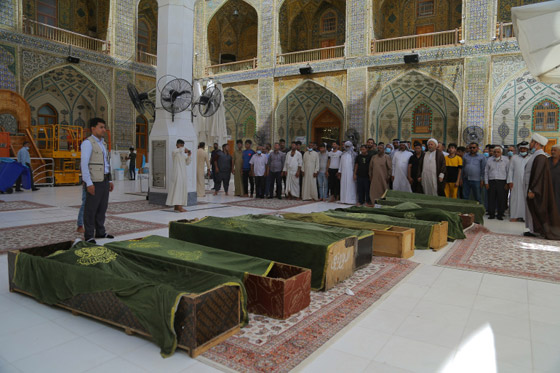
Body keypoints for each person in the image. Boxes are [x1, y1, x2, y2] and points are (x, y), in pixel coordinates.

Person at [80, 118, 114, 243]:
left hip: (104, 180)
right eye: (101, 127)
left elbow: (106, 163)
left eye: (104, 127)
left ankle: (100, 231)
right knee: (91, 209)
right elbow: (84, 164)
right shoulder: (88, 143)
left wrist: (109, 180)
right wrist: (88, 182)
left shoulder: (103, 144)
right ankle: (89, 235)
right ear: (93, 128)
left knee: (102, 208)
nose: (104, 130)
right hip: (94, 181)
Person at [524, 133, 560, 239]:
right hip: (532, 188)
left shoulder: (540, 157)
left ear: (536, 144)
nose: (530, 144)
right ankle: (534, 230)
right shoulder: (537, 156)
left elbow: (538, 175)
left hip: (535, 189)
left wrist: (532, 189)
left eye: (531, 142)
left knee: (538, 210)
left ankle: (538, 230)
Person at [507, 141, 530, 222]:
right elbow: (510, 170)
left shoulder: (531, 158)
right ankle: (514, 216)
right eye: (521, 148)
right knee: (514, 199)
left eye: (524, 148)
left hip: (527, 183)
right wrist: (510, 181)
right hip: (515, 182)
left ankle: (525, 217)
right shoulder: (514, 157)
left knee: (525, 200)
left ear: (527, 149)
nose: (523, 150)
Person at [166, 139, 191, 212]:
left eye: (182, 146)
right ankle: (179, 207)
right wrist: (183, 149)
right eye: (180, 145)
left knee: (180, 190)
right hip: (177, 174)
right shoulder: (175, 152)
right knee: (177, 190)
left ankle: (177, 207)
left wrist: (189, 155)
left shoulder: (182, 154)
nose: (181, 147)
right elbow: (175, 151)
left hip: (182, 175)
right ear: (177, 145)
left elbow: (187, 163)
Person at [484, 146, 509, 220]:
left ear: (501, 153)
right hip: (492, 181)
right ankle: (491, 214)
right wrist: (486, 182)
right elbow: (486, 172)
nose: (496, 153)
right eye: (495, 152)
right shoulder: (489, 160)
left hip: (502, 181)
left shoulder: (506, 160)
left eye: (498, 152)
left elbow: (508, 172)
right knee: (491, 198)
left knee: (501, 199)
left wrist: (507, 183)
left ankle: (500, 214)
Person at [550, 144, 560, 216]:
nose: (553, 152)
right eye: (552, 150)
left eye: (555, 150)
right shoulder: (547, 161)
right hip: (549, 187)